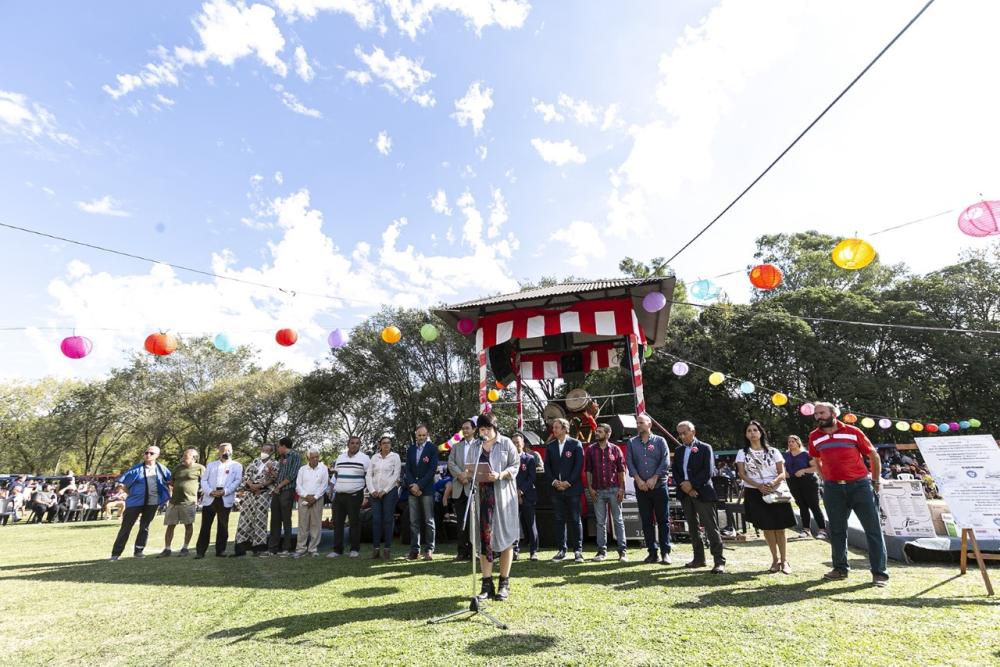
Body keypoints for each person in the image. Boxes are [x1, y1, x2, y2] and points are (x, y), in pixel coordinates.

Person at [809, 402, 889, 587]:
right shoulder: (814, 436)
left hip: (860, 486)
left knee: (873, 530)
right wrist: (825, 479)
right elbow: (816, 459)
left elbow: (873, 455)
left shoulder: (853, 431)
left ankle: (879, 573)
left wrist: (875, 481)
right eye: (816, 414)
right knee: (836, 530)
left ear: (833, 413)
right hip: (833, 489)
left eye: (821, 412)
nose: (818, 416)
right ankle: (840, 569)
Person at [471, 413, 520, 602]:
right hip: (482, 498)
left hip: (503, 497)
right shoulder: (475, 446)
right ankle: (486, 583)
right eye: (481, 430)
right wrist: (470, 473)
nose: (484, 433)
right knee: (485, 540)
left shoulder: (506, 443)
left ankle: (504, 583)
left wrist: (500, 475)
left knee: (505, 539)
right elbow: (470, 468)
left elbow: (515, 465)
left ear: (495, 428)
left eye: (487, 429)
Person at [736, 421, 796, 574]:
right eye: (749, 430)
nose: (752, 433)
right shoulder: (742, 452)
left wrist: (772, 483)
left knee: (780, 527)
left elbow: (782, 472)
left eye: (755, 430)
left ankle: (784, 560)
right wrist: (758, 486)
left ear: (761, 432)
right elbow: (742, 474)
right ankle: (774, 560)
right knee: (767, 527)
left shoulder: (773, 451)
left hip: (775, 490)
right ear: (746, 434)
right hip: (755, 492)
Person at [674, 421, 726, 574]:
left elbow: (708, 471)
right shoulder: (678, 450)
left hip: (702, 492)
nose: (682, 436)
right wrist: (684, 486)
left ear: (693, 431)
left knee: (711, 527)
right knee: (692, 527)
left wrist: (692, 486)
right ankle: (698, 558)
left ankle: (719, 561)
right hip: (685, 493)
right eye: (680, 433)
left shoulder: (705, 448)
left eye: (685, 432)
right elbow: (676, 471)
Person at [625, 413, 673, 565]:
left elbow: (665, 461)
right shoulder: (632, 443)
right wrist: (639, 480)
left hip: (659, 486)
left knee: (663, 520)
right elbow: (630, 463)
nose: (638, 425)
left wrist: (654, 478)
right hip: (641, 488)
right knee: (646, 521)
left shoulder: (660, 441)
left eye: (641, 422)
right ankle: (652, 552)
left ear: (649, 424)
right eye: (637, 423)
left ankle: (665, 553)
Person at [110, 446, 171, 560]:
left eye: (151, 453)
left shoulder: (162, 469)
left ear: (157, 455)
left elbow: (170, 481)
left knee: (145, 527)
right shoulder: (136, 469)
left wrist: (168, 495)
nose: (148, 455)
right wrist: (129, 493)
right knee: (126, 527)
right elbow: (121, 484)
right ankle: (115, 554)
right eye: (146, 452)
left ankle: (139, 551)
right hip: (135, 503)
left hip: (152, 502)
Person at [586, 423, 628, 562]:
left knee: (618, 521)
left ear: (608, 434)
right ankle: (601, 552)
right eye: (596, 431)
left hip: (614, 489)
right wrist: (590, 488)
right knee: (600, 523)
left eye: (600, 431)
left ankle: (622, 552)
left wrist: (622, 488)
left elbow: (622, 471)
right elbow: (588, 471)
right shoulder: (591, 450)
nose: (597, 433)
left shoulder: (616, 450)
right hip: (598, 491)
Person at [544, 418, 584, 563]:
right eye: (553, 427)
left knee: (575, 519)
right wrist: (554, 482)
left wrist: (568, 482)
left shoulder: (575, 444)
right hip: (556, 490)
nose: (553, 430)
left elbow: (578, 466)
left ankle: (578, 551)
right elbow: (546, 467)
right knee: (559, 519)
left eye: (556, 427)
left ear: (565, 429)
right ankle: (562, 550)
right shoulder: (550, 446)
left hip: (572, 489)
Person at [195, 442, 244, 559]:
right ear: (219, 452)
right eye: (222, 451)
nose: (225, 453)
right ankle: (200, 551)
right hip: (210, 497)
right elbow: (204, 480)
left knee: (223, 526)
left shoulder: (237, 466)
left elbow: (237, 481)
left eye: (227, 451)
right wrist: (210, 492)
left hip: (225, 497)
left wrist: (225, 491)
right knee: (205, 526)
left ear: (231, 451)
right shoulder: (211, 465)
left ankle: (220, 550)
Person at [329, 436, 371, 558]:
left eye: (357, 443)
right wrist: (331, 488)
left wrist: (366, 495)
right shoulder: (340, 457)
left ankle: (354, 549)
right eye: (352, 443)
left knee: (354, 523)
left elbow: (368, 477)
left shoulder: (365, 458)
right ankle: (337, 550)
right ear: (348, 444)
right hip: (339, 495)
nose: (354, 445)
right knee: (337, 523)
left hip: (355, 494)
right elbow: (336, 475)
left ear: (360, 445)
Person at [233, 443, 278, 557]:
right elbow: (246, 476)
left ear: (271, 452)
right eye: (263, 450)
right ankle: (241, 546)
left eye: (267, 451)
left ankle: (258, 548)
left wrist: (260, 486)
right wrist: (251, 485)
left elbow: (274, 478)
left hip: (262, 494)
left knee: (260, 520)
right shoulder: (255, 462)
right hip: (249, 492)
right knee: (245, 519)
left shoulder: (274, 463)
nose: (264, 452)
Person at [159, 448, 205, 557]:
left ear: (194, 458)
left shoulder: (200, 468)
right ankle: (167, 549)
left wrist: (201, 496)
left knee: (188, 525)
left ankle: (185, 548)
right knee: (170, 525)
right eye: (183, 456)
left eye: (186, 456)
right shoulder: (177, 468)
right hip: (174, 501)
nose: (183, 458)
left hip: (189, 502)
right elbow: (171, 482)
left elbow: (206, 482)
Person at [404, 424, 438, 560]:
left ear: (427, 435)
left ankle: (429, 549)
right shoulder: (411, 449)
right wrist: (413, 485)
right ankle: (414, 550)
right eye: (419, 435)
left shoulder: (432, 448)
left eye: (424, 435)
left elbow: (432, 469)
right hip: (412, 489)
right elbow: (407, 469)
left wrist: (419, 485)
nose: (422, 437)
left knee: (429, 520)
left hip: (427, 489)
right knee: (414, 521)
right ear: (415, 435)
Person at [784, 435, 827, 539]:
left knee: (814, 506)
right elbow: (781, 466)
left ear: (798, 442)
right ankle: (806, 530)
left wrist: (803, 470)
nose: (790, 443)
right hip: (793, 482)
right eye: (789, 442)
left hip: (808, 482)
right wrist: (784, 472)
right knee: (802, 506)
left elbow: (816, 467)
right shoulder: (786, 455)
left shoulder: (806, 454)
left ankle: (822, 530)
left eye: (793, 441)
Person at [446, 419, 477, 561]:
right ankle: (461, 552)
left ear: (474, 429)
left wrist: (468, 476)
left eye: (467, 428)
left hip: (473, 488)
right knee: (460, 522)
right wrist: (460, 475)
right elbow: (450, 463)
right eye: (463, 428)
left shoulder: (480, 446)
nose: (465, 430)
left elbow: (480, 463)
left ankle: (474, 551)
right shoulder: (456, 447)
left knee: (473, 522)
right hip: (459, 488)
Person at [264, 437, 301, 557]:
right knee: (275, 520)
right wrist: (271, 471)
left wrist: (279, 486)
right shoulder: (282, 458)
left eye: (278, 446)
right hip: (277, 491)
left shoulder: (295, 456)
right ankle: (272, 548)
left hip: (287, 491)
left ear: (284, 446)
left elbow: (292, 475)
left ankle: (286, 548)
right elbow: (280, 474)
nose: (277, 449)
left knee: (286, 520)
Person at [289, 447, 328, 558]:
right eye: (313, 457)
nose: (315, 459)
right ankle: (301, 549)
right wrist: (307, 496)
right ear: (308, 458)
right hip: (304, 498)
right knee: (303, 525)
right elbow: (298, 486)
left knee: (316, 524)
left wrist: (314, 497)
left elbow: (324, 485)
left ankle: (313, 549)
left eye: (317, 457)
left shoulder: (323, 468)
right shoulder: (302, 469)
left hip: (318, 499)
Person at [367, 435, 401, 559]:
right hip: (374, 493)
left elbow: (396, 475)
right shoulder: (374, 457)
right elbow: (369, 475)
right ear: (380, 445)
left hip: (390, 493)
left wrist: (385, 491)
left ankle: (387, 549)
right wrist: (372, 490)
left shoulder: (395, 456)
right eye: (384, 443)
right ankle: (376, 549)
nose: (386, 445)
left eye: (389, 443)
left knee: (388, 520)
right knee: (376, 520)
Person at [512, 432, 538, 561]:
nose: (516, 444)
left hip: (527, 496)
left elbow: (532, 477)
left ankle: (533, 551)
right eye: (514, 442)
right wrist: (515, 492)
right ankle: (515, 550)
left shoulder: (529, 459)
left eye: (518, 442)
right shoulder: (508, 460)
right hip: (511, 497)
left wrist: (521, 491)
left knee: (530, 524)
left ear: (523, 444)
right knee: (513, 525)